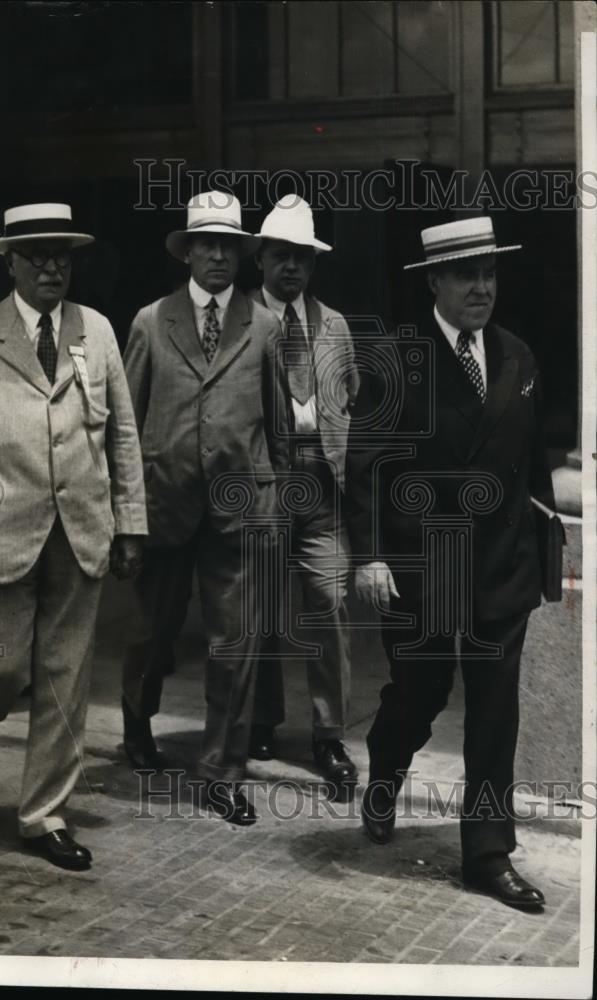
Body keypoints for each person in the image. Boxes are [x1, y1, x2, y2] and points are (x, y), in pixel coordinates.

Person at [0, 203, 147, 870]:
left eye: (62, 255)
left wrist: (130, 522)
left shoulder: (97, 331)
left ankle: (43, 815)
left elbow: (123, 437)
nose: (52, 266)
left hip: (80, 535)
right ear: (10, 262)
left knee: (63, 682)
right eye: (37, 254)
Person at [347, 216, 554, 909]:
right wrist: (370, 556)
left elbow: (530, 467)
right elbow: (365, 469)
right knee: (420, 694)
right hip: (420, 565)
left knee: (494, 711)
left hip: (500, 566)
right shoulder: (396, 362)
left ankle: (487, 853)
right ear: (433, 281)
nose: (480, 287)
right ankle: (386, 763)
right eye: (466, 274)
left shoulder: (518, 357)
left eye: (489, 273)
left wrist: (546, 555)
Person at [120, 190, 290, 825]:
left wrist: (275, 505)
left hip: (241, 511)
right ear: (188, 251)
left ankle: (222, 770)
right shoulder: (149, 321)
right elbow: (125, 426)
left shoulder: (264, 326)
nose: (218, 255)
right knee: (150, 633)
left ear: (244, 255)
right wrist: (126, 515)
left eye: (229, 245)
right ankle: (137, 722)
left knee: (235, 644)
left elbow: (279, 427)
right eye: (207, 244)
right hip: (163, 505)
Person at [248, 195, 360, 798]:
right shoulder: (243, 320)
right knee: (260, 605)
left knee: (330, 603)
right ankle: (262, 720)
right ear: (260, 260)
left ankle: (329, 734)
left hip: (323, 485)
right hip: (265, 482)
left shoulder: (334, 325)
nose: (291, 267)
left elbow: (351, 401)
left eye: (302, 258)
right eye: (280, 256)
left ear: (313, 266)